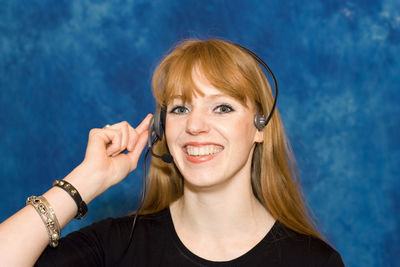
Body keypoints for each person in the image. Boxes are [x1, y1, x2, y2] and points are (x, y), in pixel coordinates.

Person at [0, 39, 344, 266]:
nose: (195, 126)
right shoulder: (117, 246)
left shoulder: (314, 260)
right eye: (180, 109)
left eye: (222, 108)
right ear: (163, 127)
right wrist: (86, 181)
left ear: (260, 127)